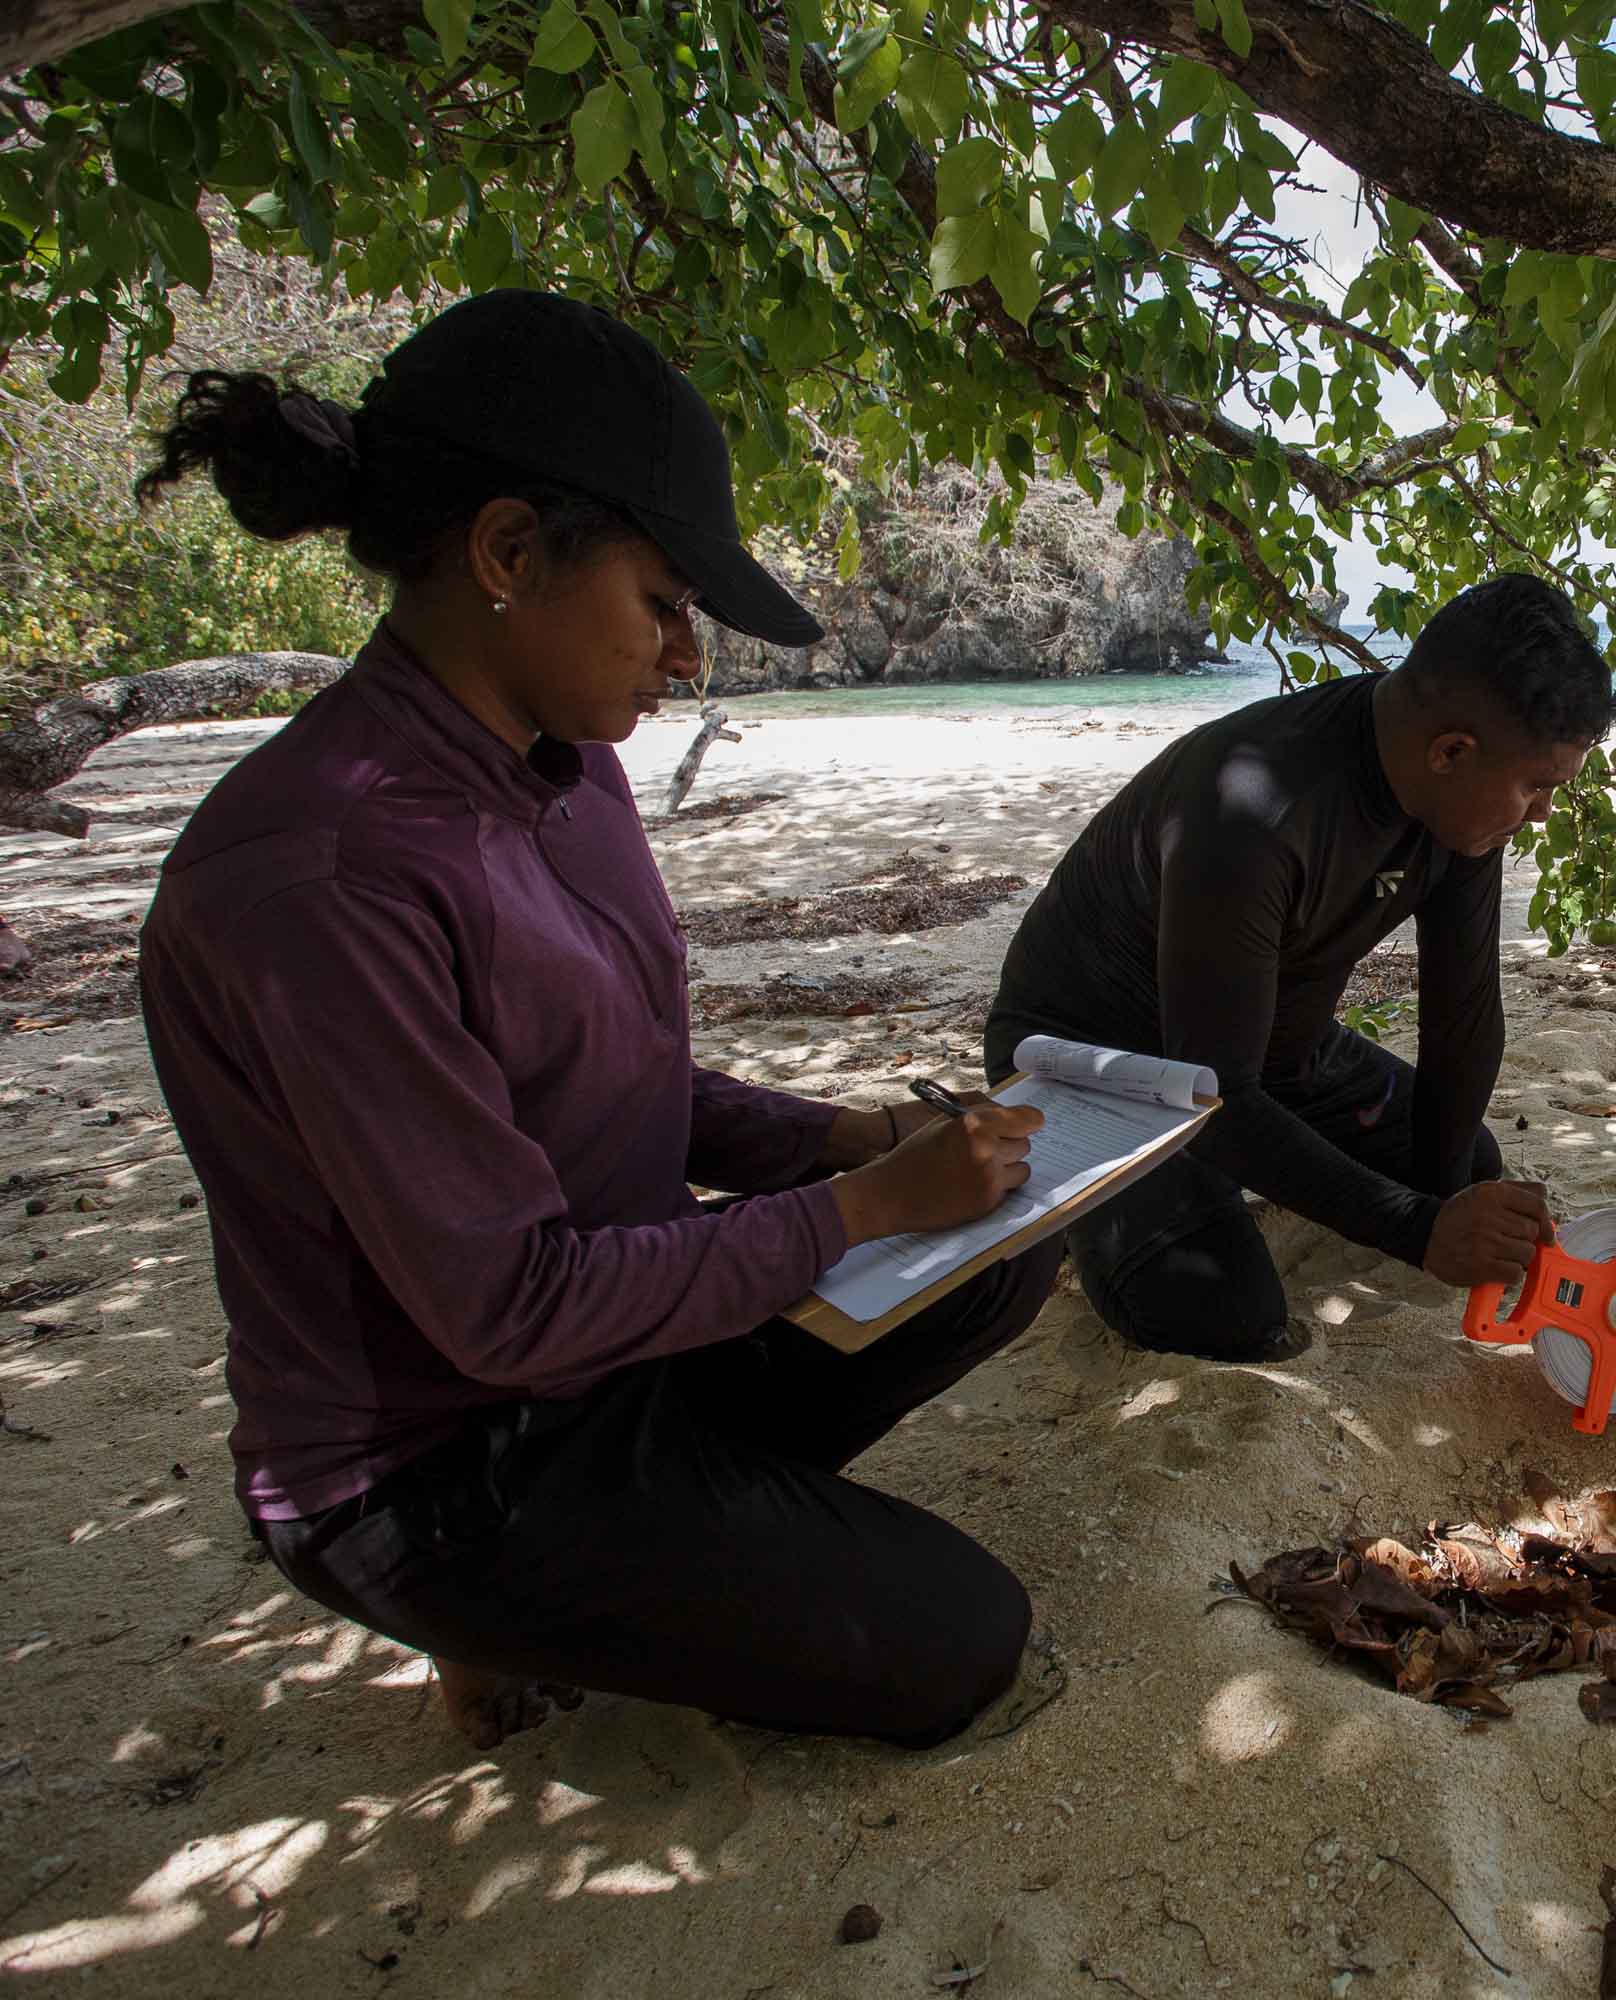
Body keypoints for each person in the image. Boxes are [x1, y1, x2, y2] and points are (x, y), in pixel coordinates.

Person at [136, 290, 1061, 1752]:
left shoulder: (564, 762)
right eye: (666, 602)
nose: (687, 656)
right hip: (439, 1460)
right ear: (509, 554)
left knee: (999, 1249)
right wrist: (862, 1206)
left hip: (611, 1351)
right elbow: (507, 1309)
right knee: (964, 1648)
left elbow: (611, 1082)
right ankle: (490, 1606)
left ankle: (650, 1559)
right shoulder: (320, 877)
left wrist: (855, 1138)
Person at [986, 574, 1616, 1361]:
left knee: (1467, 1167)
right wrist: (1420, 1231)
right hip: (1097, 1066)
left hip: (1265, 1048)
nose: (1543, 812)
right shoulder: (1254, 811)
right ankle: (1100, 1231)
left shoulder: (1458, 808)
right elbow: (1212, 1095)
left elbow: (1461, 1015)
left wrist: (1444, 1202)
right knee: (1233, 1318)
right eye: (1538, 786)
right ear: (1453, 751)